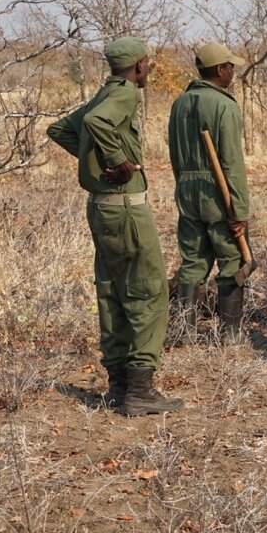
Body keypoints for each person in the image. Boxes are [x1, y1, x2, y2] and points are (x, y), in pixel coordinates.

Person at [46, 38, 182, 417]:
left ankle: (119, 387)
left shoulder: (102, 93)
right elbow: (95, 122)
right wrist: (119, 162)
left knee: (112, 292)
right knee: (148, 293)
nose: (149, 68)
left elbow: (60, 129)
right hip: (125, 209)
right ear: (138, 66)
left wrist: (95, 163)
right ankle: (139, 392)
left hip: (101, 207)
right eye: (148, 63)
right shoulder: (123, 95)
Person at [168, 41, 251, 341]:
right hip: (218, 194)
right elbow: (231, 162)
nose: (233, 72)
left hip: (186, 190)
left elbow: (175, 154)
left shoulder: (179, 104)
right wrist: (239, 211)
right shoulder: (224, 106)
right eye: (231, 67)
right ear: (220, 70)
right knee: (233, 260)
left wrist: (183, 188)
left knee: (192, 260)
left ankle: (184, 332)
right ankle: (231, 336)